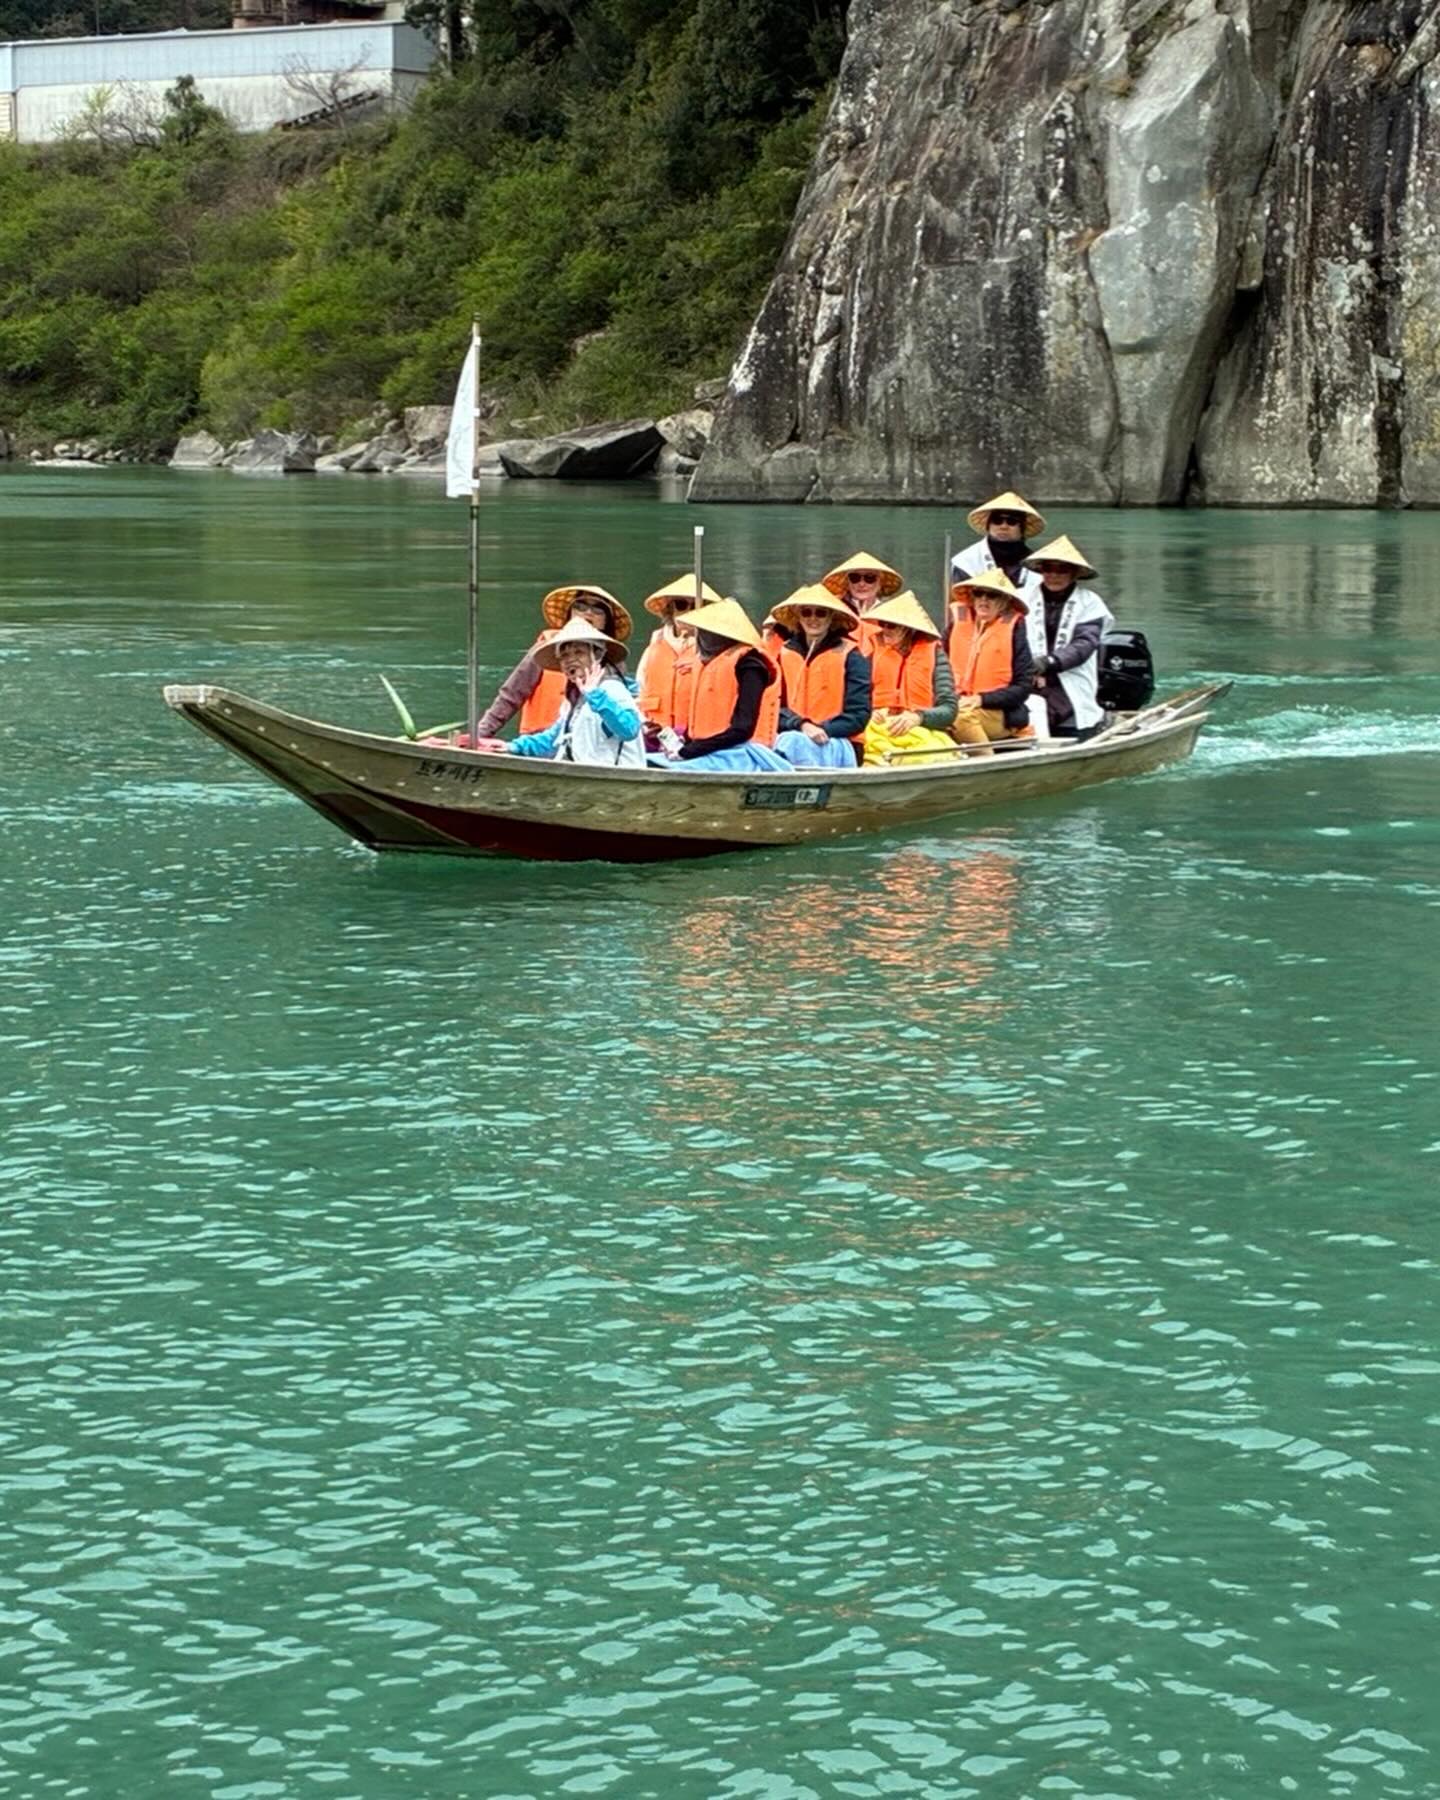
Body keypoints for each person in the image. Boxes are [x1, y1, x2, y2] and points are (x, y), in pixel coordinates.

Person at [474, 585, 633, 739]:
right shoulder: (545, 649)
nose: (588, 613)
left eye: (598, 610)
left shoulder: (614, 665)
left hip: (586, 739)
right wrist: (480, 735)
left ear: (606, 621)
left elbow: (623, 719)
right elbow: (511, 694)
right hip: (539, 739)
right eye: (580, 607)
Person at [662, 597, 789, 772]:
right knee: (651, 761)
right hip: (709, 751)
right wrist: (685, 744)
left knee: (672, 767)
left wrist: (689, 751)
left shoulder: (750, 666)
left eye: (706, 631)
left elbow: (742, 730)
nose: (701, 637)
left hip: (741, 754)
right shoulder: (704, 662)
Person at [502, 618, 646, 766]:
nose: (570, 660)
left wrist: (596, 696)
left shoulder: (612, 689)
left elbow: (629, 729)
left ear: (597, 655)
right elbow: (553, 739)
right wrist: (512, 747)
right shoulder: (574, 699)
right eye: (564, 655)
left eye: (579, 652)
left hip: (615, 776)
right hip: (584, 774)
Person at [1022, 535, 1115, 741]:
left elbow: (1084, 644)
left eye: (1062, 570)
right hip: (1027, 676)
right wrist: (1028, 668)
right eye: (1048, 569)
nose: (1054, 575)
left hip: (1069, 677)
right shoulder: (1023, 597)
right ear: (1041, 571)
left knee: (1062, 713)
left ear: (1074, 574)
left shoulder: (1090, 603)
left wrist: (1047, 663)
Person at [770, 584, 873, 768]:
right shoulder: (783, 653)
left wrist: (821, 730)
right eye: (806, 613)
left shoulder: (852, 655)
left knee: (792, 742)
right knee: (788, 742)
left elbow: (859, 715)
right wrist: (801, 725)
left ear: (831, 617)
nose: (813, 619)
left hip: (839, 740)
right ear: (798, 617)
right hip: (793, 734)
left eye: (821, 613)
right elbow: (774, 707)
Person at [859, 590, 959, 765]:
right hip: (878, 730)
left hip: (922, 731)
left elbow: (949, 710)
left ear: (908, 629)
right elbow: (856, 699)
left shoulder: (935, 654)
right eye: (883, 624)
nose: (885, 630)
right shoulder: (872, 653)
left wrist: (918, 717)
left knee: (934, 756)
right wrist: (870, 713)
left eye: (892, 625)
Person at [945, 569, 1037, 752]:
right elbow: (936, 670)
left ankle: (987, 760)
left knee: (961, 717)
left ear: (1004, 601)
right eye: (979, 593)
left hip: (1000, 712)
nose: (984, 600)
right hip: (957, 703)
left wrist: (981, 699)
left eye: (992, 595)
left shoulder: (1014, 629)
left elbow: (1023, 687)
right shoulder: (956, 625)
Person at [636, 576, 720, 739]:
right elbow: (640, 691)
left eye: (696, 606)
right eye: (681, 605)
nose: (688, 611)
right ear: (670, 610)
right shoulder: (653, 647)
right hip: (656, 737)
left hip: (698, 738)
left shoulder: (716, 649)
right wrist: (644, 725)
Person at [951, 492, 1046, 615]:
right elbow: (960, 602)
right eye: (997, 521)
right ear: (988, 526)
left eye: (1011, 522)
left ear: (1022, 528)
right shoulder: (966, 561)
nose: (1003, 526)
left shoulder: (1038, 564)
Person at [819, 553, 905, 655]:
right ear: (847, 582)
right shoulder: (833, 609)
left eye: (870, 578)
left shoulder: (892, 613)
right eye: (855, 578)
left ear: (880, 583)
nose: (861, 584)